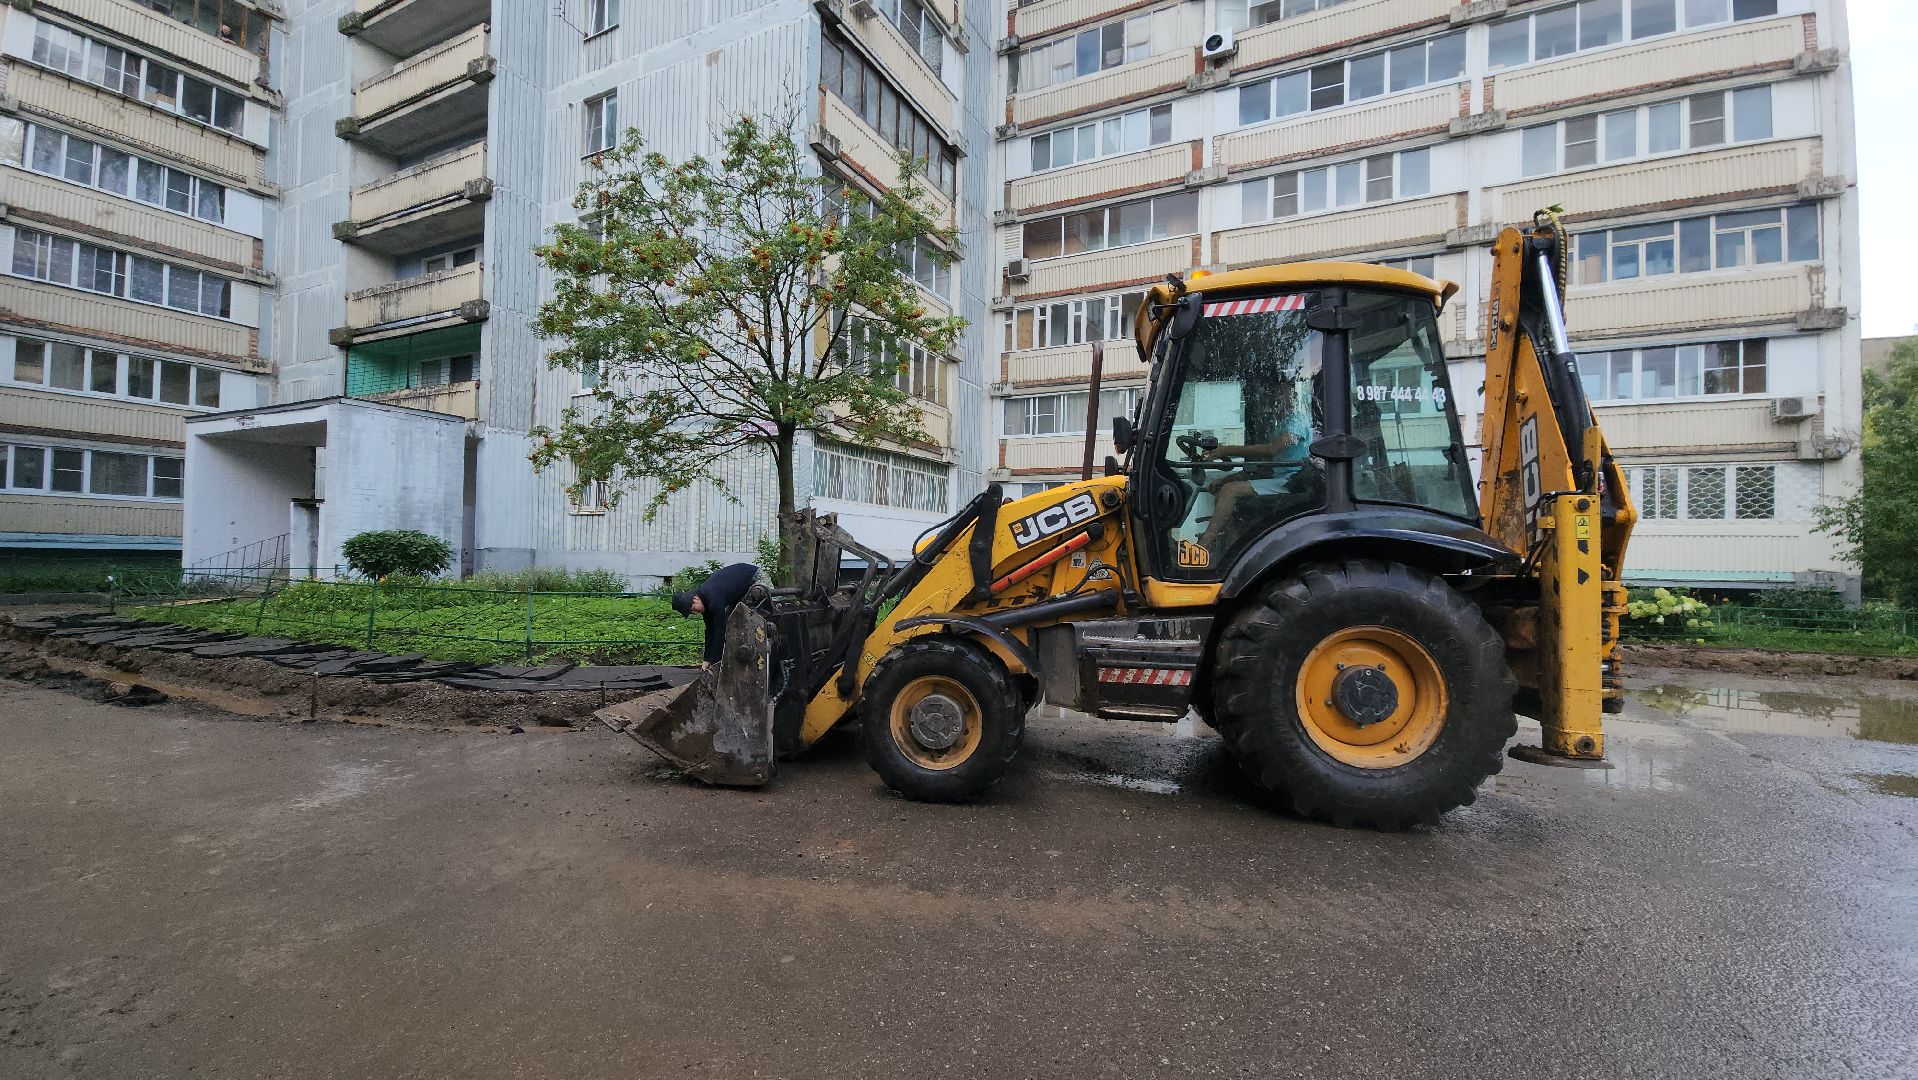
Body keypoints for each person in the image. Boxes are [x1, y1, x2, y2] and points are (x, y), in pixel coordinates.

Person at [670, 562, 764, 667]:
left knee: (767, 614)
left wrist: (715, 664)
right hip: (738, 590)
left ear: (695, 599)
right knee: (731, 620)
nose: (695, 613)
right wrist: (707, 660)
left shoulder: (714, 600)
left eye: (693, 609)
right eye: (692, 613)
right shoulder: (705, 601)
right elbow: (710, 631)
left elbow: (720, 632)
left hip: (755, 577)